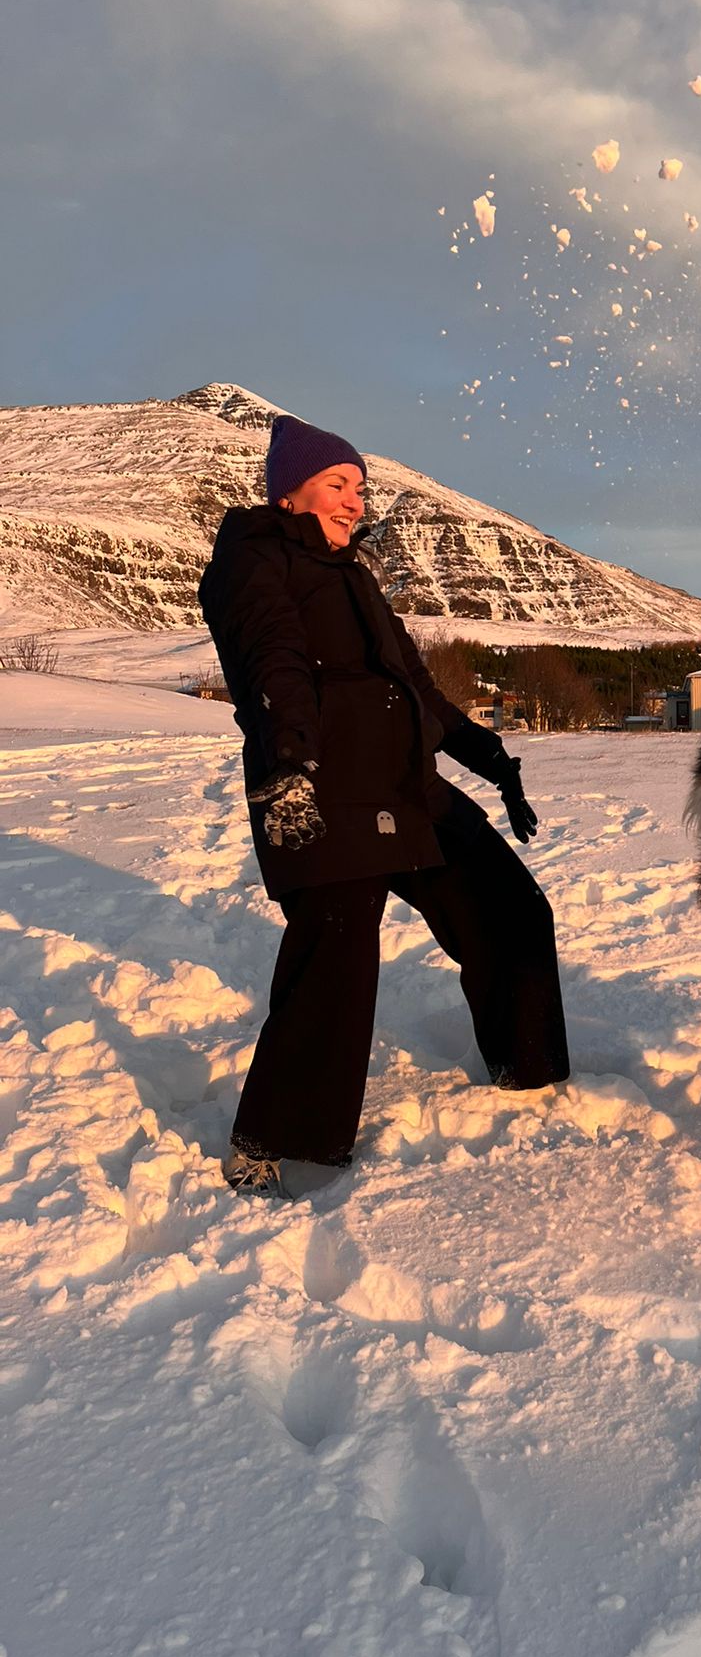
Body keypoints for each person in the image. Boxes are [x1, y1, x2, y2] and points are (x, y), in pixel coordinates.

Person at [200, 413, 570, 1194]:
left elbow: (418, 690)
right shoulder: (255, 559)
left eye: (361, 488)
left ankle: (530, 1077)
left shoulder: (353, 574)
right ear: (290, 491)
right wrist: (290, 760)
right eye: (338, 484)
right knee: (333, 956)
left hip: (407, 785)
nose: (355, 501)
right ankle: (274, 1142)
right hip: (321, 782)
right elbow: (271, 658)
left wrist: (490, 758)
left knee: (509, 910)